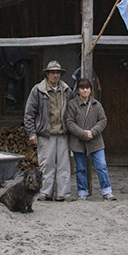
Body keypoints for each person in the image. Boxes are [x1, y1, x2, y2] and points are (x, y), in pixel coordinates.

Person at [24, 60, 73, 201]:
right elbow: (29, 113)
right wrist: (32, 133)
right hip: (46, 134)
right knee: (46, 165)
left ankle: (62, 194)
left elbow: (71, 111)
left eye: (57, 73)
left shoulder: (66, 90)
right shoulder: (38, 90)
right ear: (47, 74)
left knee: (64, 166)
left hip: (63, 133)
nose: (55, 75)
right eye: (52, 72)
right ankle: (45, 193)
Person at [66, 78, 117, 201]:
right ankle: (82, 192)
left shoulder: (97, 104)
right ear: (78, 90)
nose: (85, 90)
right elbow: (69, 122)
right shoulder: (72, 104)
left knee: (101, 166)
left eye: (87, 88)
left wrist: (92, 132)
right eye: (82, 88)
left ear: (90, 90)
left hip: (96, 142)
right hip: (78, 142)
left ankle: (106, 191)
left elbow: (103, 120)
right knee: (80, 168)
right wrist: (83, 134)